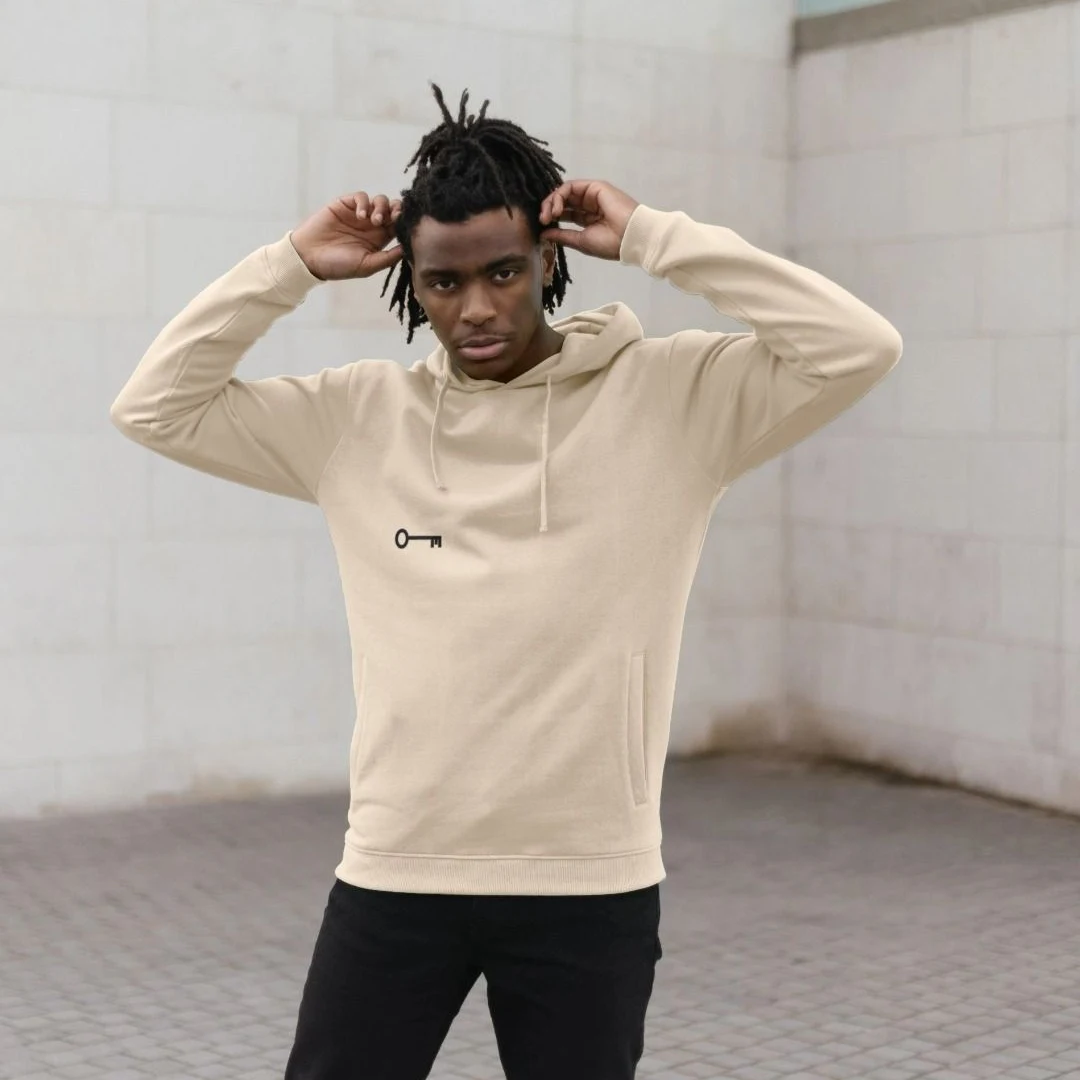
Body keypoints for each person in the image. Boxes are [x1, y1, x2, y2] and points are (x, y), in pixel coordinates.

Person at [110, 84, 902, 1080]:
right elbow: (155, 408)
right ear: (411, 284)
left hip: (589, 880)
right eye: (444, 282)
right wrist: (290, 266)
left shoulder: (674, 402)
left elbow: (859, 346)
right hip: (399, 869)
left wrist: (654, 236)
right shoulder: (357, 419)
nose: (476, 308)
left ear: (549, 261)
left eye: (503, 271)